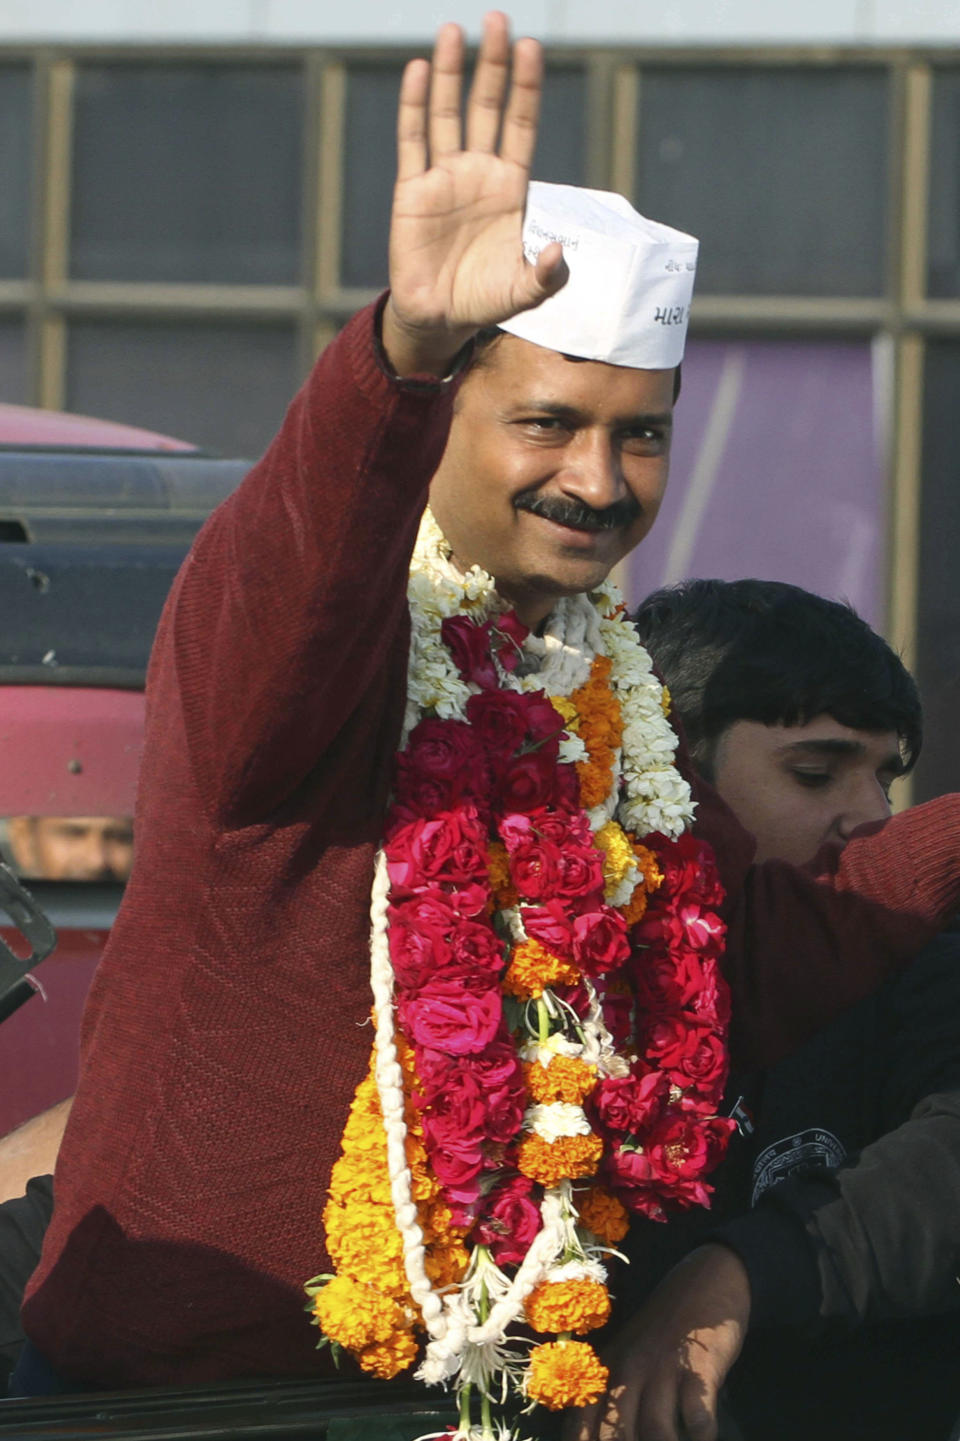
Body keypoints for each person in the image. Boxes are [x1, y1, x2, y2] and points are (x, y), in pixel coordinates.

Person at [10, 13, 960, 1430]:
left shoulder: (592, 692)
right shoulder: (305, 649)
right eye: (549, 423)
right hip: (201, 1398)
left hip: (505, 1393)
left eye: (640, 432)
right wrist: (393, 355)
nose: (599, 478)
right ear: (446, 411)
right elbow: (296, 567)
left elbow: (723, 972)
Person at [564, 579, 960, 1441]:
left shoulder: (911, 953)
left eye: (885, 775)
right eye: (815, 771)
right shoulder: (555, 988)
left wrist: (738, 1269)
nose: (869, 814)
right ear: (676, 777)